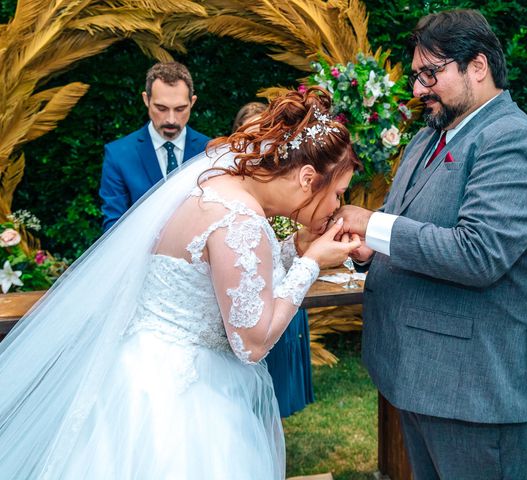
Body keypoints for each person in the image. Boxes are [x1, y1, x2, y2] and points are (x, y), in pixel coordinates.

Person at [0, 87, 361, 479]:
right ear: (308, 178)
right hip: (187, 401)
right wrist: (309, 264)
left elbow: (223, 275)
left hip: (137, 376)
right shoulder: (241, 220)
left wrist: (293, 247)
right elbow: (252, 343)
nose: (336, 207)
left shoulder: (217, 187)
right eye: (337, 193)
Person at [336, 9, 527, 479]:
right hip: (417, 376)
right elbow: (414, 228)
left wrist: (372, 224)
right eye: (418, 75)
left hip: (472, 392)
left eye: (430, 74)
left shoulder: (517, 143)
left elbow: (478, 254)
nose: (418, 89)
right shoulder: (429, 136)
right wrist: (371, 248)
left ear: (477, 67)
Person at [233, 101, 315, 418]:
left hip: (282, 299)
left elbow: (273, 253)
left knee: (277, 397)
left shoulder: (290, 187)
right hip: (248, 311)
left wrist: (298, 243)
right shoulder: (236, 200)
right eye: (253, 139)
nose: (261, 149)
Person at [100, 61, 210, 230]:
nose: (171, 119)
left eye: (180, 109)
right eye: (161, 108)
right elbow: (113, 226)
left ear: (192, 102)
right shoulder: (118, 155)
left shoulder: (210, 151)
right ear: (146, 99)